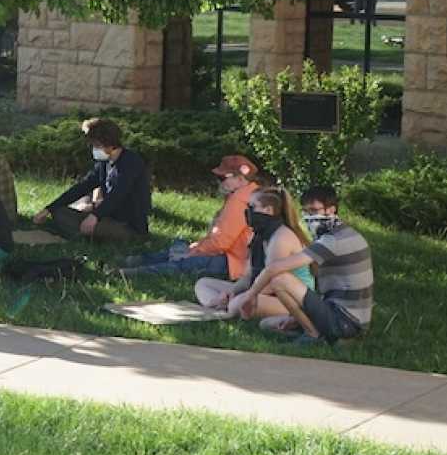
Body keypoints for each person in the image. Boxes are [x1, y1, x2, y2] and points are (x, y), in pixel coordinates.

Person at [236, 185, 373, 346]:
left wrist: (250, 296)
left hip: (346, 321)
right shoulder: (344, 233)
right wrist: (296, 318)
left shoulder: (333, 240)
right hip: (344, 315)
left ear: (331, 210)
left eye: (314, 211)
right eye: (306, 211)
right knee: (266, 324)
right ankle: (321, 332)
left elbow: (275, 268)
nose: (309, 217)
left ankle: (313, 335)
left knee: (279, 279)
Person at [195, 187, 315, 327]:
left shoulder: (282, 237)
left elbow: (273, 282)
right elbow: (248, 275)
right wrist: (231, 292)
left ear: (268, 210)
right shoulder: (257, 235)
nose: (248, 211)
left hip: (290, 298)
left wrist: (245, 296)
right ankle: (218, 305)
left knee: (237, 304)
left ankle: (228, 308)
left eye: (252, 207)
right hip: (261, 290)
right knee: (203, 284)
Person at [123, 155, 259, 277]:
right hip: (230, 256)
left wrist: (193, 252)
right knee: (180, 245)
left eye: (222, 178)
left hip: (233, 262)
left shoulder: (239, 201)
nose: (219, 182)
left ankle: (132, 272)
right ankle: (140, 262)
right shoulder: (249, 195)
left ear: (241, 179)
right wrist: (195, 248)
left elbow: (220, 243)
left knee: (184, 263)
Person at [32, 118, 150, 243]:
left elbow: (117, 195)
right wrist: (48, 209)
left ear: (108, 143)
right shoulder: (104, 163)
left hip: (127, 225)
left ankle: (84, 236)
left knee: (87, 224)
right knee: (59, 212)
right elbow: (83, 186)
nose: (94, 149)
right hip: (105, 216)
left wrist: (94, 216)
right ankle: (84, 232)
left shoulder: (131, 162)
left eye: (96, 145)